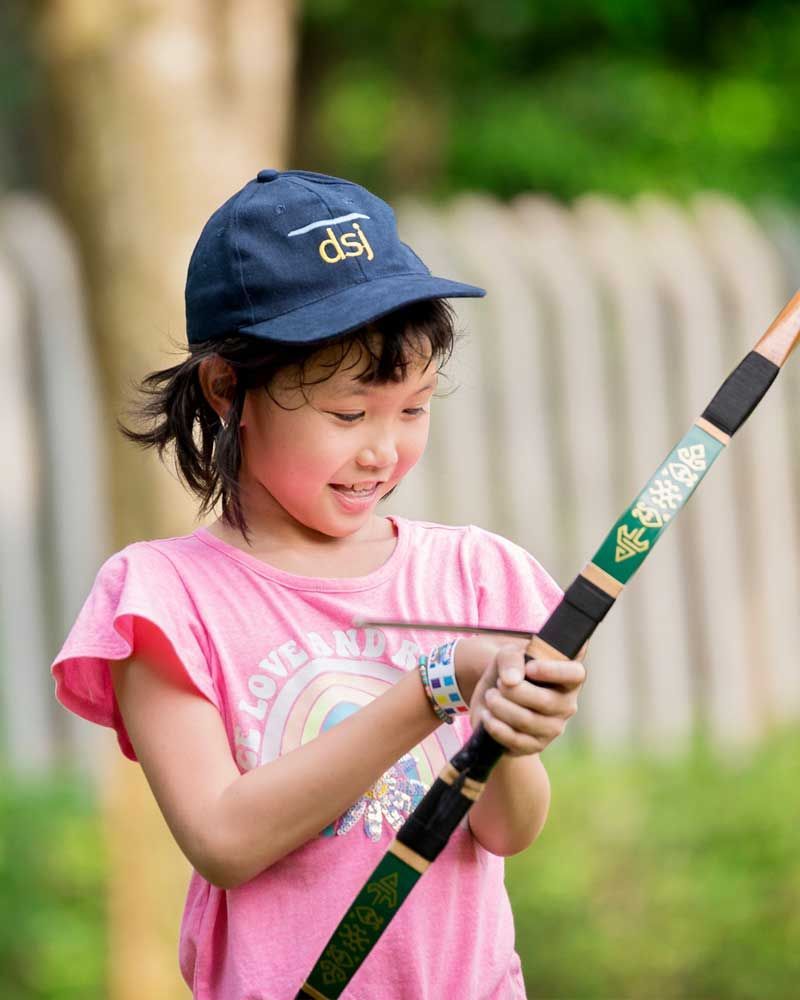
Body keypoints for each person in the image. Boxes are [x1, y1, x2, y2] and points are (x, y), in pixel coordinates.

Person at [51, 168, 586, 1000]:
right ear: (229, 388)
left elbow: (508, 831)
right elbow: (223, 838)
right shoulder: (162, 599)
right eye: (348, 415)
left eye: (411, 409)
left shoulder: (474, 573)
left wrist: (505, 730)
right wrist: (438, 684)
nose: (383, 451)